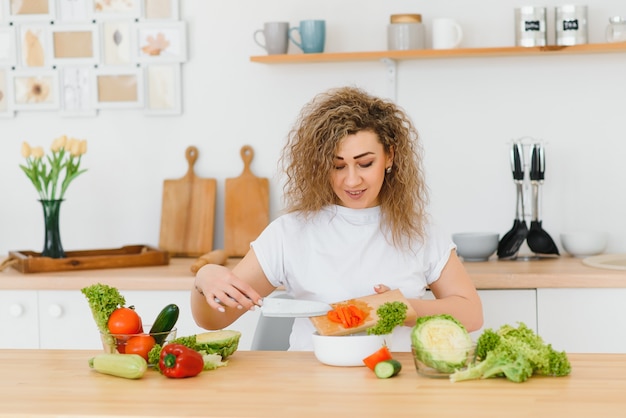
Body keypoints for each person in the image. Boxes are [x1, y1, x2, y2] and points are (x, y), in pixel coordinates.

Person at [191, 86, 483, 351]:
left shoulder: (420, 231)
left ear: (390, 156)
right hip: (313, 388)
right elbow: (213, 321)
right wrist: (204, 280)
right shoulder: (289, 233)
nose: (352, 180)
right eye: (337, 166)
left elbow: (471, 314)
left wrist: (398, 307)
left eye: (365, 163)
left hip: (398, 384)